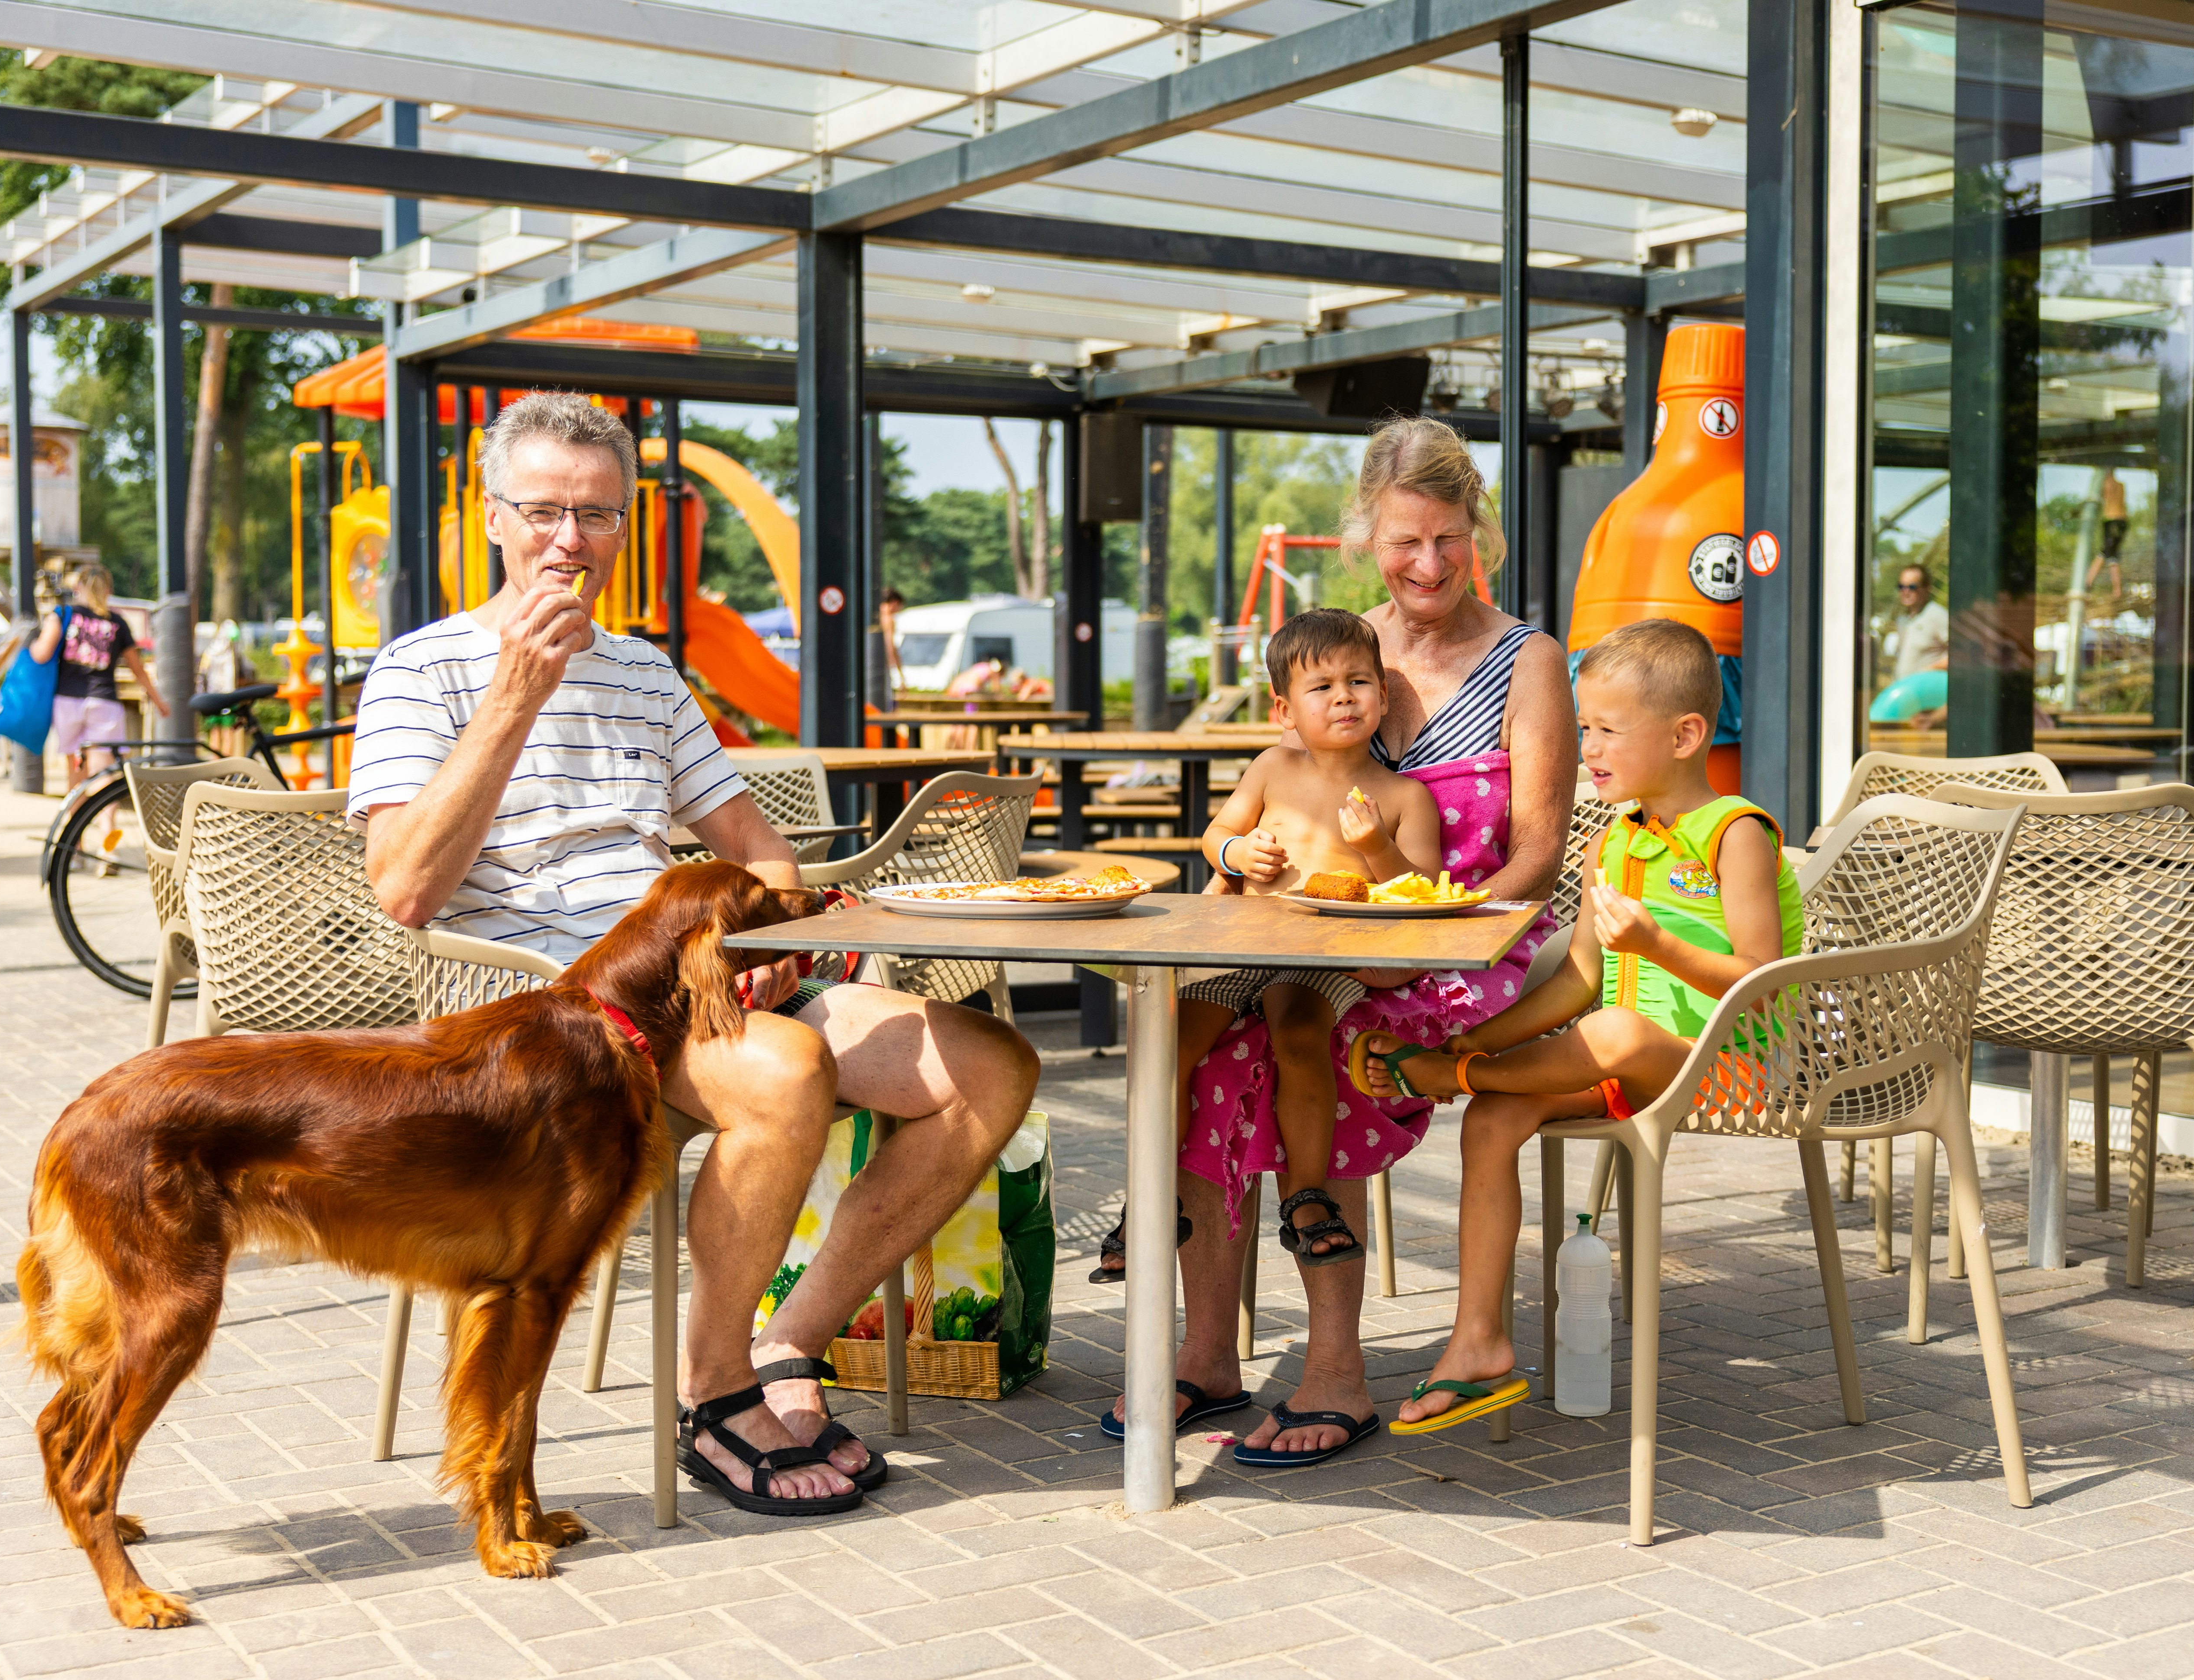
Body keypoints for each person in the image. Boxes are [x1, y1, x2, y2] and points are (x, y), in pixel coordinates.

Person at [348, 390, 1036, 1517]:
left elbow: (757, 856)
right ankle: (710, 1396)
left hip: (688, 988)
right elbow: (407, 887)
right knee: (785, 1071)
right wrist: (516, 694)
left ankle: (782, 1345)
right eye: (544, 512)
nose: (570, 540)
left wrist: (767, 932)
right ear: (490, 519)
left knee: (990, 1066)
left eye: (599, 516)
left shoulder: (646, 672)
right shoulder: (419, 670)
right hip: (541, 1012)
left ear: (625, 527)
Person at [1103, 415, 1575, 1468]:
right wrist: (1253, 866)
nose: (1428, 564)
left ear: (1479, 534)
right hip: (1316, 941)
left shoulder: (1526, 659)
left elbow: (1536, 859)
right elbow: (1262, 812)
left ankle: (1333, 1371)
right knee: (1208, 1029)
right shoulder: (1339, 651)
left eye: (1449, 537)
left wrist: (1429, 931)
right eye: (1405, 541)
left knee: (1312, 1042)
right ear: (1367, 536)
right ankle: (1208, 1353)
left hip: (1472, 944)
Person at [1359, 618, 1803, 1431]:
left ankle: (1440, 1078)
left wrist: (1660, 943)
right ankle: (1478, 1344)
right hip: (1624, 1067)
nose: (1587, 747)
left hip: (1733, 1069)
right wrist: (1480, 1039)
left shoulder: (1736, 834)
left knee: (1622, 1033)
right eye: (1584, 726)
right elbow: (1579, 981)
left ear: (1686, 734)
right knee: (1494, 1121)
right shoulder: (1613, 844)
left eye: (1606, 730)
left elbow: (1765, 983)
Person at [1182, 607, 1441, 1269]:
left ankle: (1306, 1193)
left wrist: (1377, 847)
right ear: (1284, 710)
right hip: (1247, 945)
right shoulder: (1272, 767)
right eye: (1320, 687)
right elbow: (1215, 835)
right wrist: (1239, 855)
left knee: (1299, 1030)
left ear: (1383, 698)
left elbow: (1420, 894)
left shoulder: (1404, 796)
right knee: (1170, 1034)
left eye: (1358, 682)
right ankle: (1152, 1195)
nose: (1343, 697)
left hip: (1329, 955)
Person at [30, 563, 167, 789]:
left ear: (78, 587)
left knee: (76, 771)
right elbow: (138, 670)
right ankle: (107, 825)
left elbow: (41, 655)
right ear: (109, 590)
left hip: (67, 701)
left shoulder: (64, 614)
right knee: (106, 773)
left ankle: (75, 820)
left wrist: (31, 646)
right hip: (104, 702)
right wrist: (159, 701)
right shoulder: (118, 623)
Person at [1889, 565, 1947, 681]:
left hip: (1927, 693)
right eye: (1902, 587)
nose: (1906, 592)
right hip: (1906, 693)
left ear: (1927, 588)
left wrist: (1929, 671)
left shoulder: (1937, 615)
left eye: (1912, 587)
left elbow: (1961, 653)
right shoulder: (1903, 619)